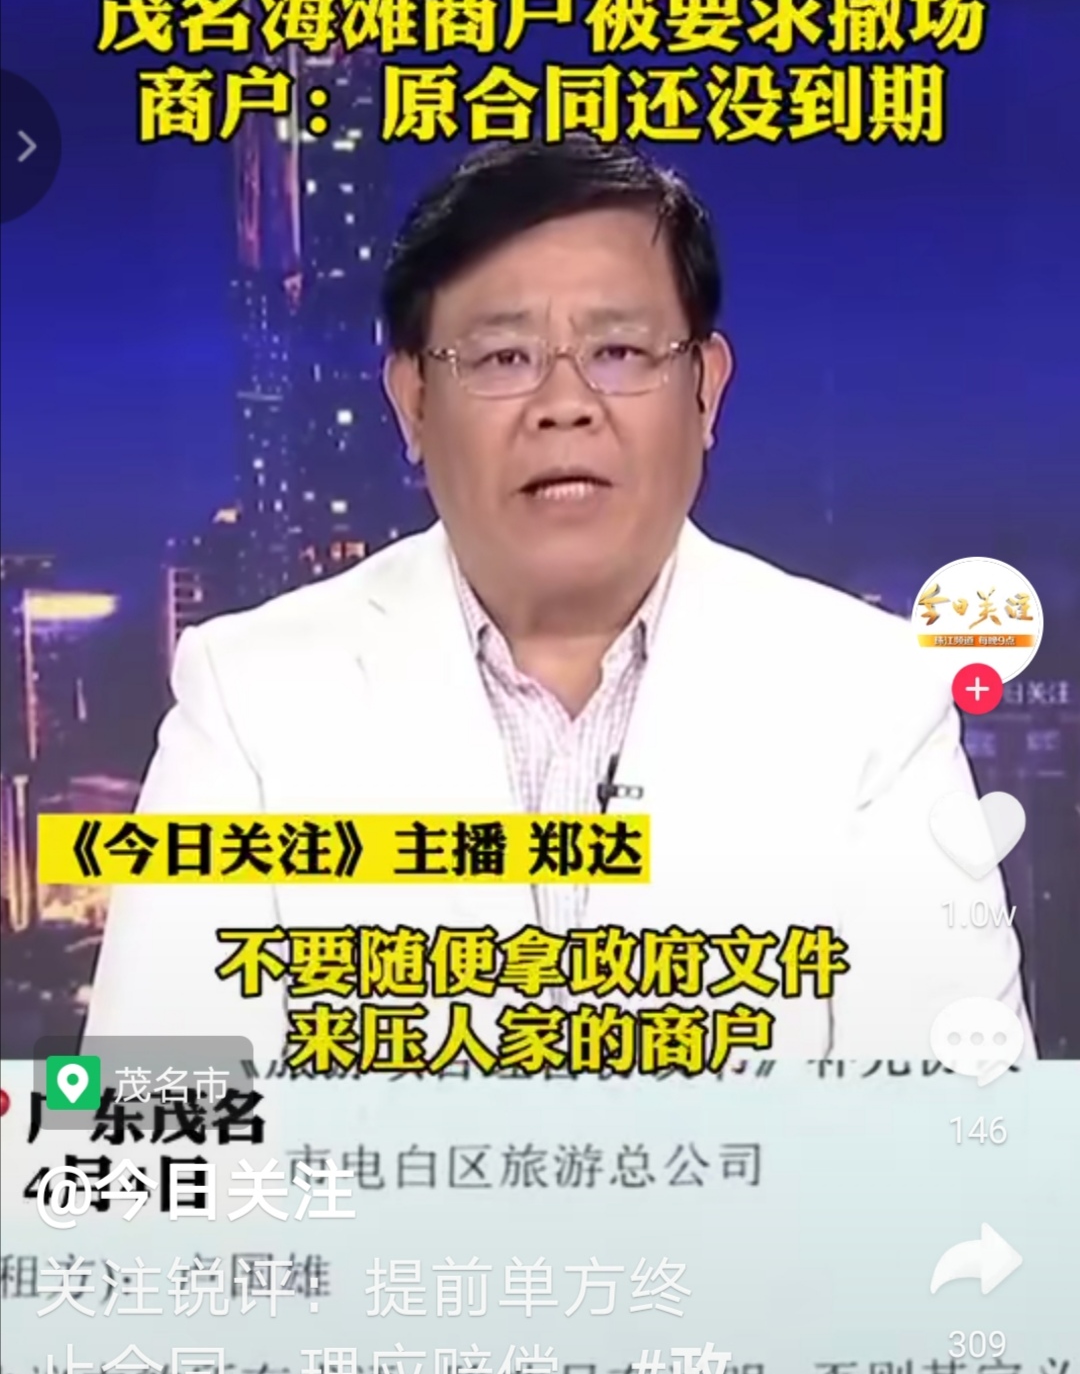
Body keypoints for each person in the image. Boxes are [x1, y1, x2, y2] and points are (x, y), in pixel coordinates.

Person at [85, 134, 1033, 1060]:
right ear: (412, 403)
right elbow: (159, 1120)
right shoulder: (252, 698)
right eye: (503, 358)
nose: (565, 403)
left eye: (619, 351)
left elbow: (953, 1128)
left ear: (704, 391)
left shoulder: (871, 696)